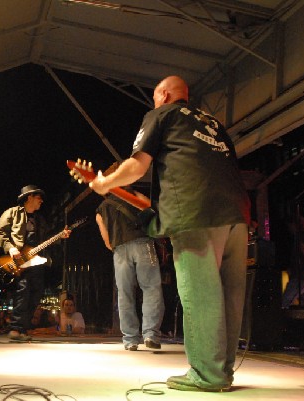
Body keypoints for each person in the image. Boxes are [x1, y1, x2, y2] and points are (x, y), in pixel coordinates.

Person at [89, 76, 250, 392]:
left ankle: (206, 374)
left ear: (163, 95)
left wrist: (104, 184)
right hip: (236, 213)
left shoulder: (161, 115)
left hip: (196, 212)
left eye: (154, 97)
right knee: (230, 294)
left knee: (200, 291)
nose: (154, 102)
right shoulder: (213, 124)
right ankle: (222, 372)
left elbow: (136, 167)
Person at [0, 185, 71, 341]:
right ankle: (15, 329)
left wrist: (60, 236)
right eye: (38, 197)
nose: (41, 201)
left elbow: (47, 238)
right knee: (23, 291)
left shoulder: (40, 219)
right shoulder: (12, 213)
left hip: (36, 260)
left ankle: (23, 328)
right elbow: (1, 232)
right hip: (19, 259)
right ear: (29, 197)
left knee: (36, 293)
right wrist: (10, 249)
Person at [95, 190, 164, 350]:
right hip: (143, 244)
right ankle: (150, 334)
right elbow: (152, 207)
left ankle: (130, 339)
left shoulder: (100, 209)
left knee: (124, 293)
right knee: (151, 288)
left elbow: (107, 241)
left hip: (119, 250)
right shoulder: (134, 196)